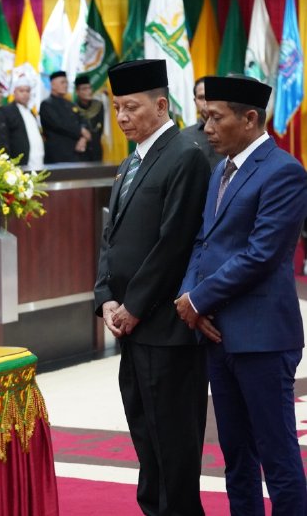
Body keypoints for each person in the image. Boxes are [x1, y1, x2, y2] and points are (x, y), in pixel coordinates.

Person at [175, 75, 307, 514]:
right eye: (204, 117)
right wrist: (189, 297)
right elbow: (203, 242)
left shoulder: (284, 171)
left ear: (249, 119)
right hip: (217, 334)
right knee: (236, 458)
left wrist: (198, 301)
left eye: (216, 118)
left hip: (263, 338)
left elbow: (261, 255)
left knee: (278, 457)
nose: (207, 127)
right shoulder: (220, 170)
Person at [94, 59, 210, 515]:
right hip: (131, 324)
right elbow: (111, 239)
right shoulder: (130, 162)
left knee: (174, 437)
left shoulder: (185, 156)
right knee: (144, 429)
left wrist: (135, 305)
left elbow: (174, 242)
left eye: (132, 108)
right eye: (118, 108)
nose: (122, 118)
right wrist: (106, 298)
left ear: (161, 105)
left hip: (165, 324)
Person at [40, 70, 91, 163]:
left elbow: (83, 120)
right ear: (53, 85)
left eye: (66, 82)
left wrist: (83, 139)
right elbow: (59, 124)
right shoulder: (46, 104)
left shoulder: (70, 104)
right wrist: (81, 131)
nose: (66, 85)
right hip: (58, 156)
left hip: (77, 154)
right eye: (62, 82)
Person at [180, 77, 224, 171]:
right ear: (195, 101)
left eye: (211, 96)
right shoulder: (182, 136)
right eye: (201, 97)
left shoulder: (231, 132)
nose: (206, 102)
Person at [1, 76, 44, 168]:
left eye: (27, 91)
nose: (25, 94)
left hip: (37, 161)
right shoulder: (7, 111)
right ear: (14, 92)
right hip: (19, 163)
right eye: (21, 91)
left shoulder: (31, 112)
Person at [73, 75, 104, 161]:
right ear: (77, 91)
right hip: (79, 150)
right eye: (84, 89)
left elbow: (101, 128)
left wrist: (87, 138)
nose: (89, 91)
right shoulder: (72, 108)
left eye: (89, 88)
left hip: (96, 148)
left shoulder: (98, 106)